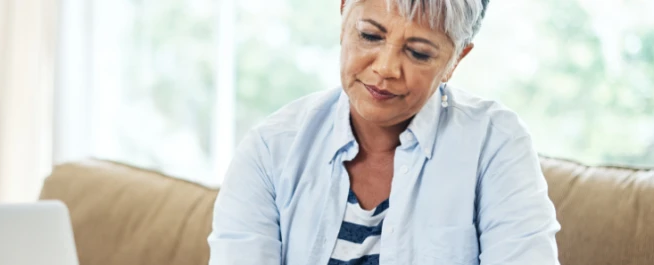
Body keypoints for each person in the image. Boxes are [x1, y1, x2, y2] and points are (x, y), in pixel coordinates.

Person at [208, 0, 561, 264]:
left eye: (419, 53)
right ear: (344, 14)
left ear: (455, 61)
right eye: (369, 35)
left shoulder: (495, 144)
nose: (386, 68)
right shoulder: (271, 148)